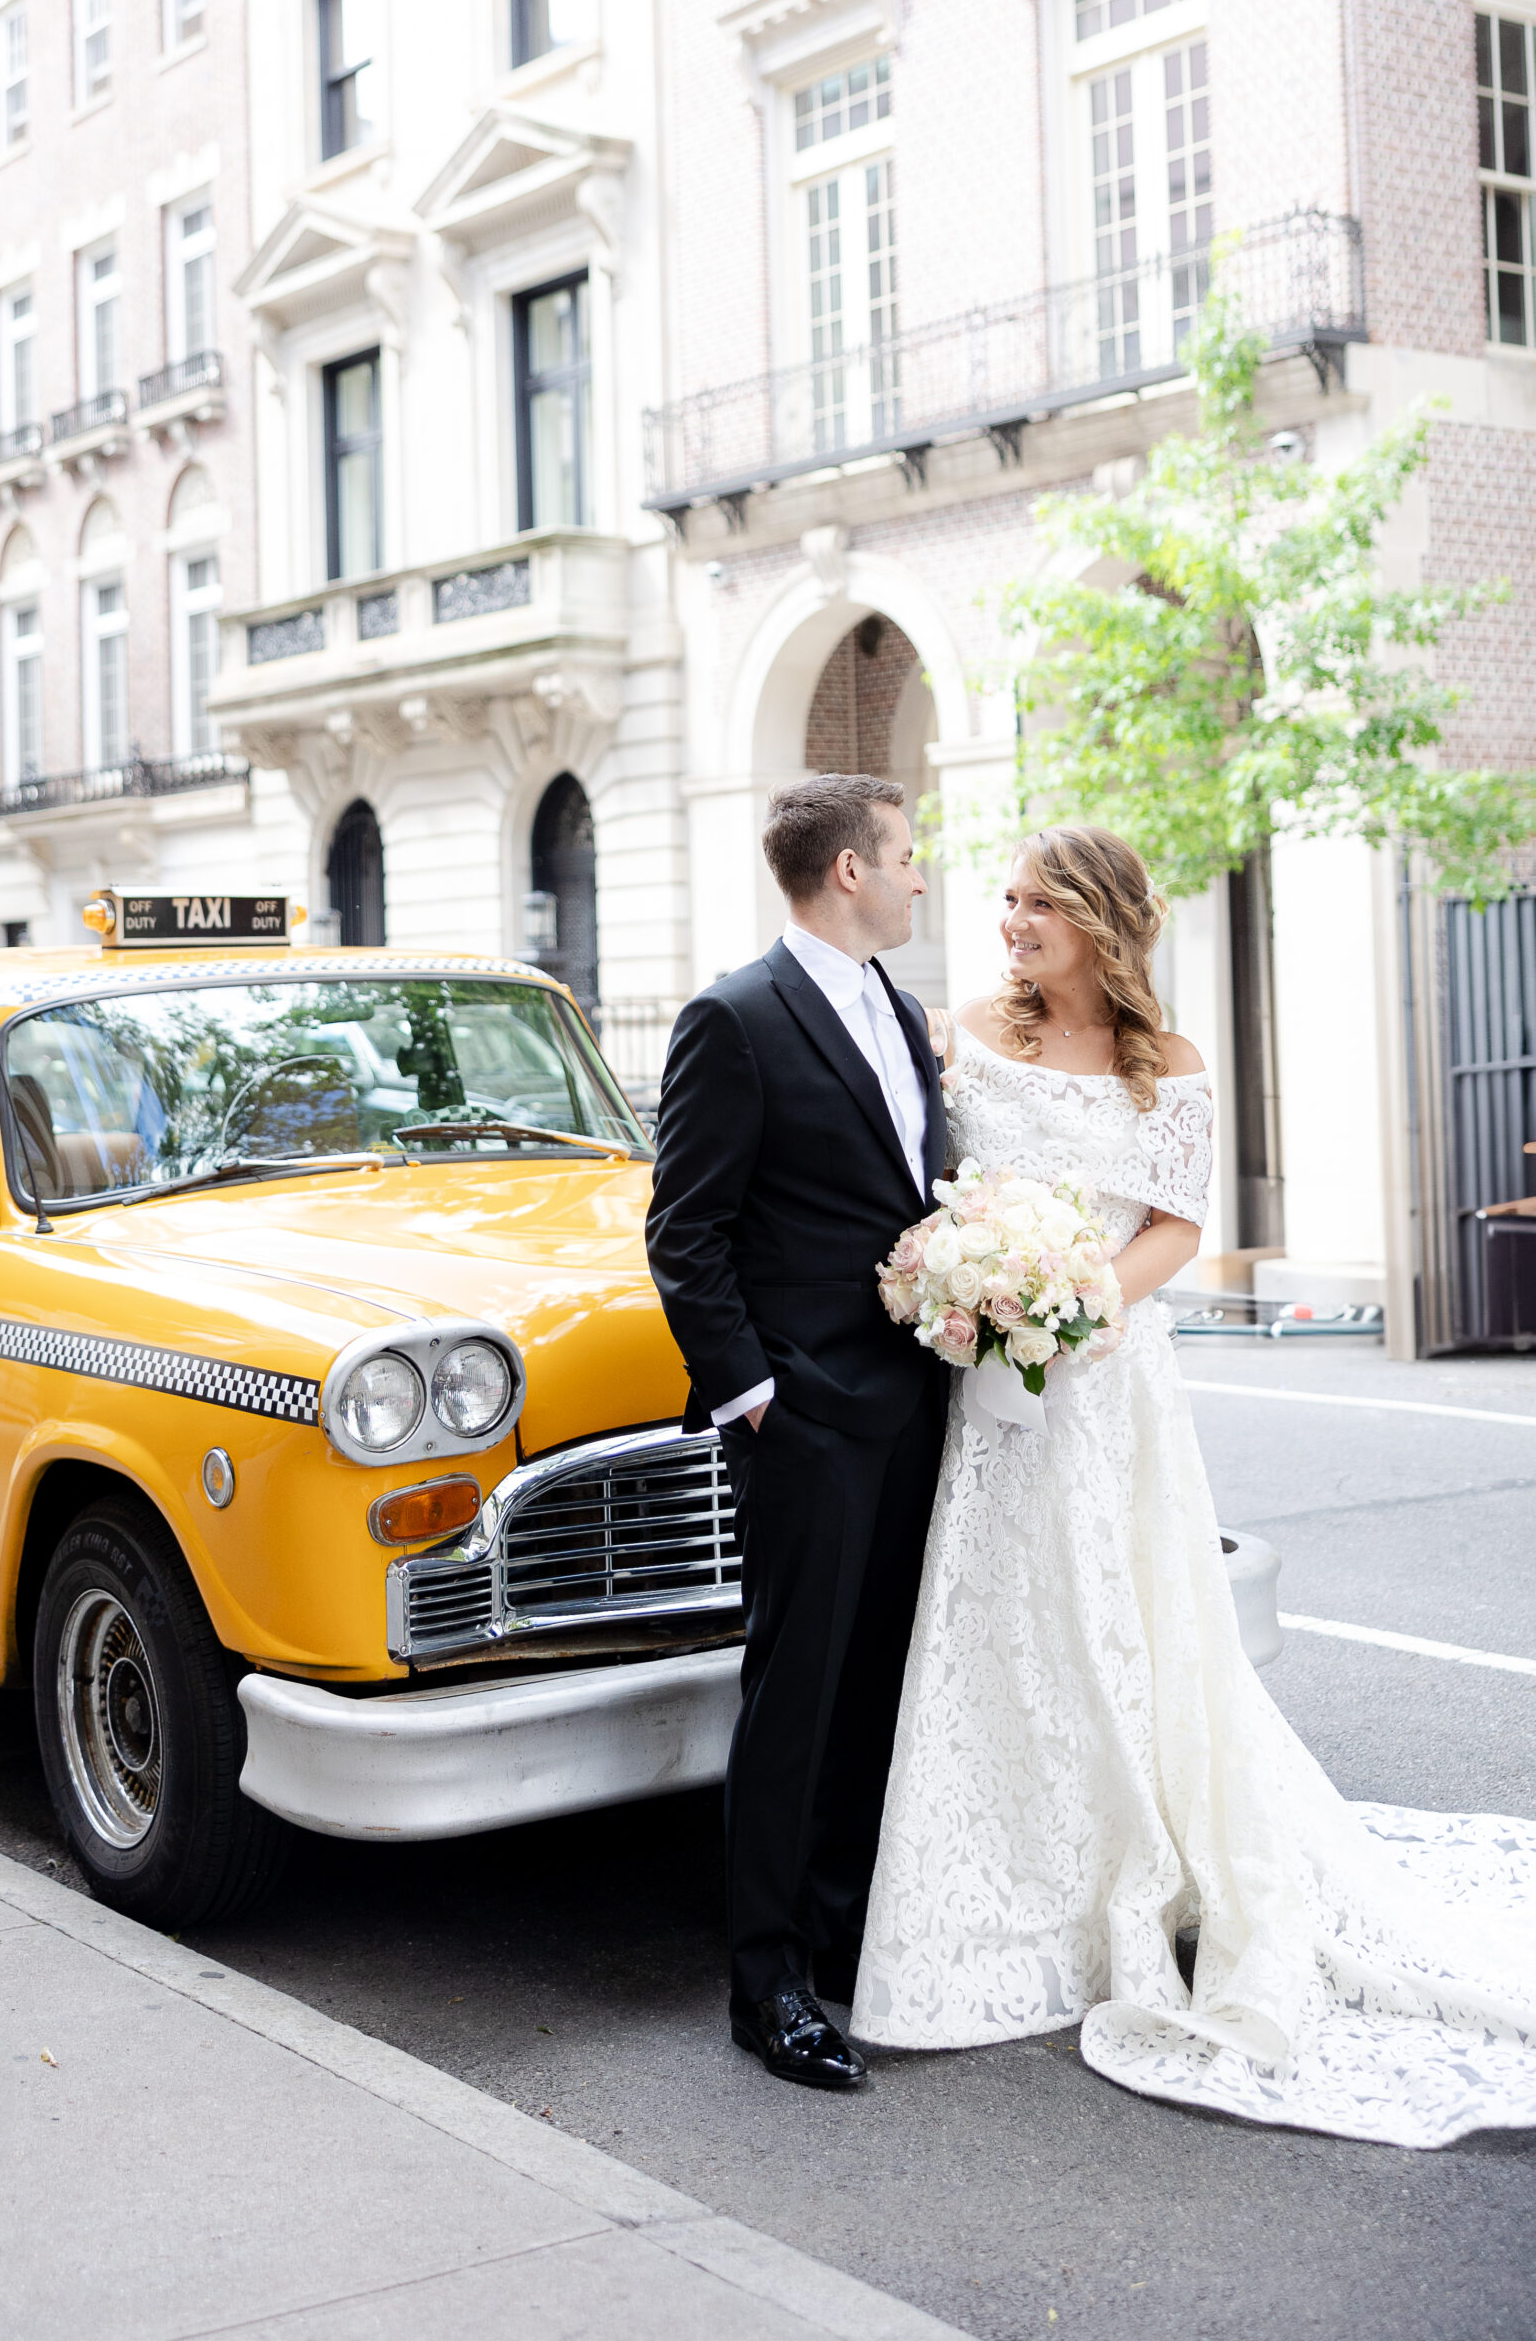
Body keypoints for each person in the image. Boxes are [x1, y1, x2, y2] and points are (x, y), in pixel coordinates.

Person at [853, 822, 1536, 2145]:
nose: (1007, 923)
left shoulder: (1167, 1061)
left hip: (1109, 1376)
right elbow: (917, 1181)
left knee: (1128, 1616)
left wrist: (1078, 1300)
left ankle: (1144, 1866)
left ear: (1101, 919)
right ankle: (1015, 1877)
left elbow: (1176, 1224)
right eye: (1000, 902)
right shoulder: (958, 1031)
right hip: (985, 1385)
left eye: (1034, 905)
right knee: (997, 1617)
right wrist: (972, 1276)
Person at [646, 773, 947, 2090]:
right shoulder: (735, 1016)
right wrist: (757, 1396)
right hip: (807, 1421)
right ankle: (764, 1985)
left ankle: (838, 1939)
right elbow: (684, 1233)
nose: (921, 876)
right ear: (847, 874)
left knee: (878, 1690)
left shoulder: (904, 1007)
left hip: (917, 1406)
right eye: (906, 854)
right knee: (794, 1703)